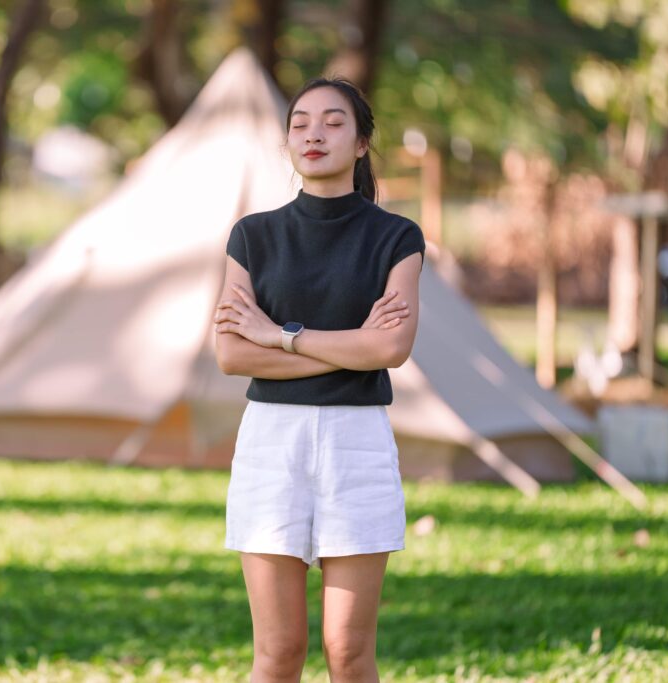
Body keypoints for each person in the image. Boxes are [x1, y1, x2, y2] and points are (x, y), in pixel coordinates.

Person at [213, 76, 425, 683]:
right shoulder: (252, 235)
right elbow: (231, 354)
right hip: (271, 443)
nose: (314, 133)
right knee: (277, 653)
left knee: (349, 652)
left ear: (361, 144)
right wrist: (353, 347)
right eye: (301, 122)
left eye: (334, 122)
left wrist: (280, 337)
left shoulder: (396, 237)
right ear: (287, 142)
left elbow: (392, 346)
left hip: (356, 446)